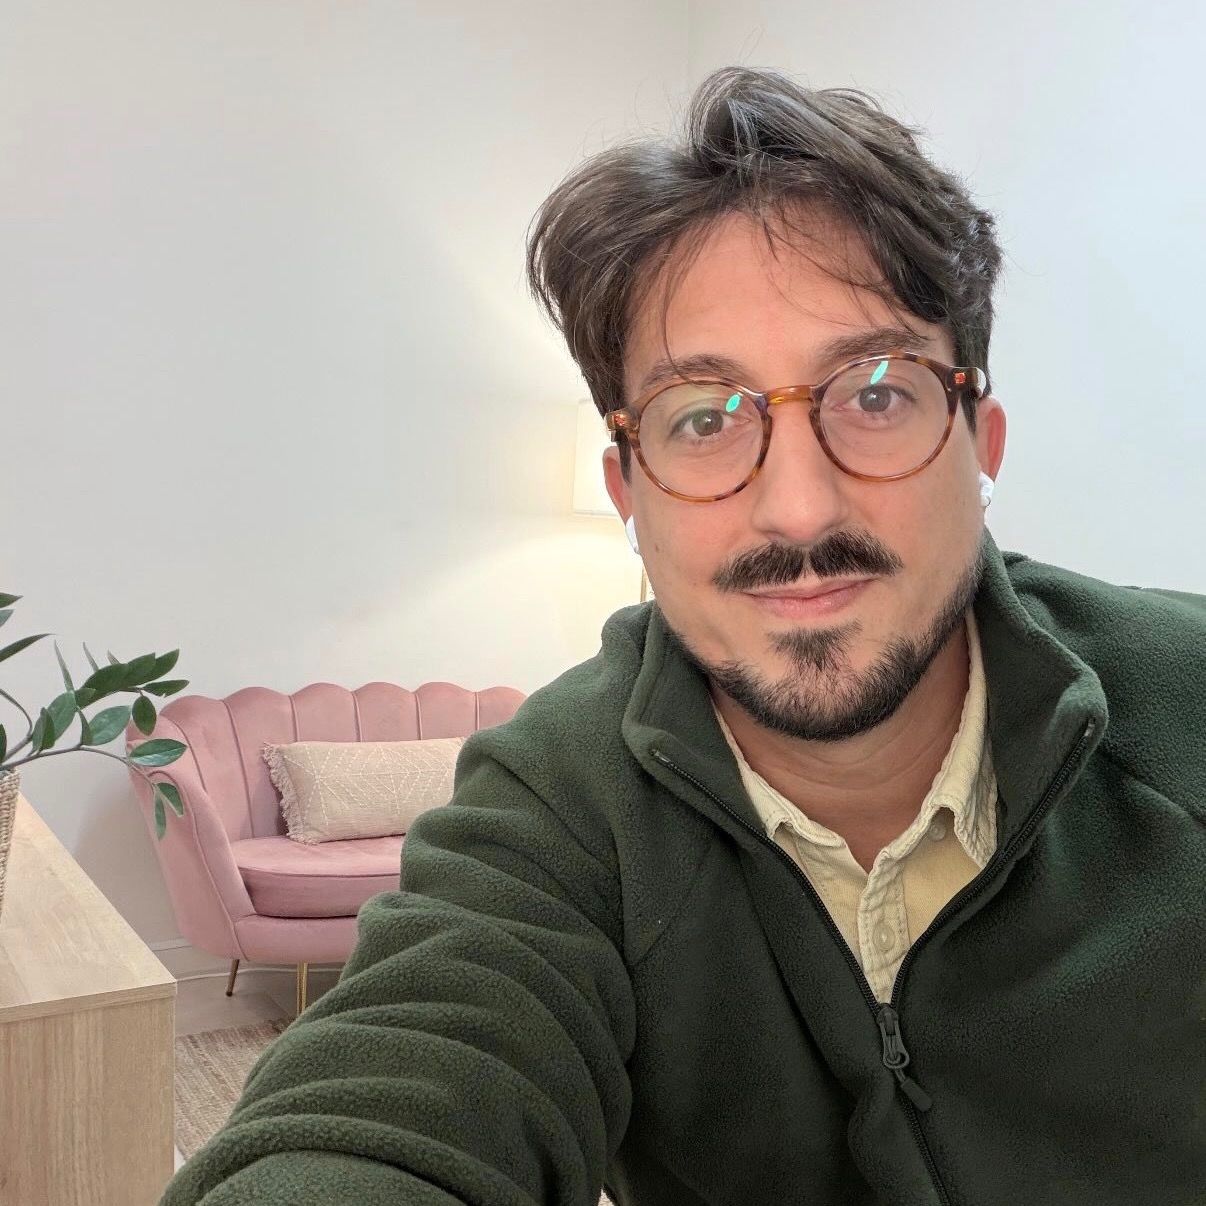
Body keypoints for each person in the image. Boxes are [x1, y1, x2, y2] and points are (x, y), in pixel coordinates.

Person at [162, 67, 1205, 1206]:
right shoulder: (557, 797)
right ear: (630, 491)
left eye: (875, 394)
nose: (798, 509)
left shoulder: (1187, 705)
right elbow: (396, 1095)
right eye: (704, 418)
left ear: (980, 442)